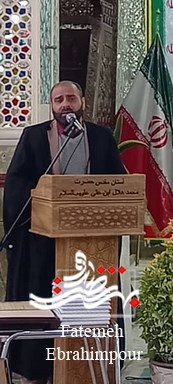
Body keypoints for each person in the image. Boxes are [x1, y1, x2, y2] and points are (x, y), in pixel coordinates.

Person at [3, 81, 125, 384]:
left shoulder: (101, 137)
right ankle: (39, 369)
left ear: (82, 102)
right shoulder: (34, 136)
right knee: (45, 302)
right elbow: (17, 181)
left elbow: (120, 181)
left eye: (71, 98)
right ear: (52, 106)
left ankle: (95, 368)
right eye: (59, 100)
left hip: (92, 241)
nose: (65, 104)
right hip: (44, 241)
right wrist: (42, 198)